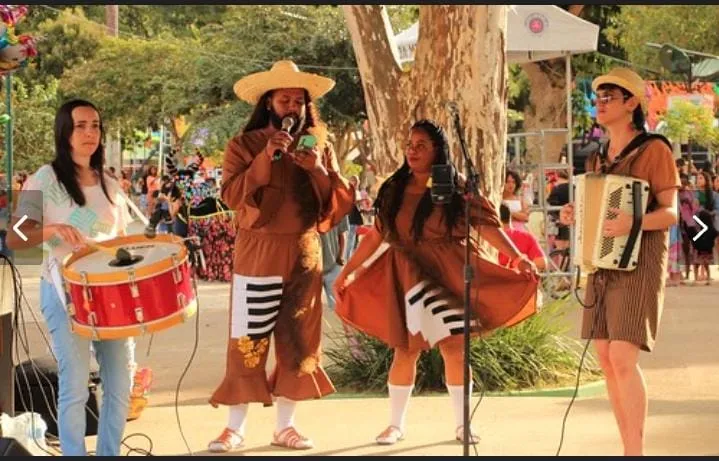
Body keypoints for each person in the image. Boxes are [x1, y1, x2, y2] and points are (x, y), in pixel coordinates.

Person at [334, 119, 539, 446]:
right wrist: (349, 272)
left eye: (421, 146)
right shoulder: (394, 188)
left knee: (455, 349)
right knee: (405, 349)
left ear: (438, 151)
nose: (412, 151)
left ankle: (462, 425)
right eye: (409, 145)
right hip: (405, 273)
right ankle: (395, 425)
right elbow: (376, 236)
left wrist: (517, 257)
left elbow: (487, 227)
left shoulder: (456, 186)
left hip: (449, 272)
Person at [207, 60, 354, 452]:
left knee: (299, 339)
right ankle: (234, 426)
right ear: (268, 103)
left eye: (298, 100)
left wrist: (319, 170)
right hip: (258, 249)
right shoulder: (243, 144)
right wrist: (266, 158)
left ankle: (285, 426)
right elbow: (231, 194)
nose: (292, 106)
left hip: (304, 251)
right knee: (248, 337)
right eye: (284, 98)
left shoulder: (319, 142)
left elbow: (336, 201)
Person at [560, 68, 680, 456]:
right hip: (601, 263)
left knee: (623, 357)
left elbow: (672, 213)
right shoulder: (597, 156)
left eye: (610, 97)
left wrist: (635, 221)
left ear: (632, 103)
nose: (601, 103)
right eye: (599, 98)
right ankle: (628, 446)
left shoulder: (654, 149)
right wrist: (574, 214)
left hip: (640, 261)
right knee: (606, 359)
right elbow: (595, 210)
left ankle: (635, 451)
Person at [6, 99, 134, 456]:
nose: (90, 133)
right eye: (80, 125)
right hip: (65, 293)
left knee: (120, 384)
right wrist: (52, 229)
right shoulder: (42, 179)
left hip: (111, 295)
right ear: (65, 131)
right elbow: (15, 237)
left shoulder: (110, 181)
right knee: (75, 386)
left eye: (95, 125)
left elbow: (123, 239)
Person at [498, 204, 546, 271]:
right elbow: (542, 264)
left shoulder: (486, 238)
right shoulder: (527, 237)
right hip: (519, 279)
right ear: (510, 216)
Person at [319, 216, 348, 311]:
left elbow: (341, 235)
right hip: (312, 270)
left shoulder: (339, 206)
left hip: (333, 267)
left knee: (339, 307)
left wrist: (340, 258)